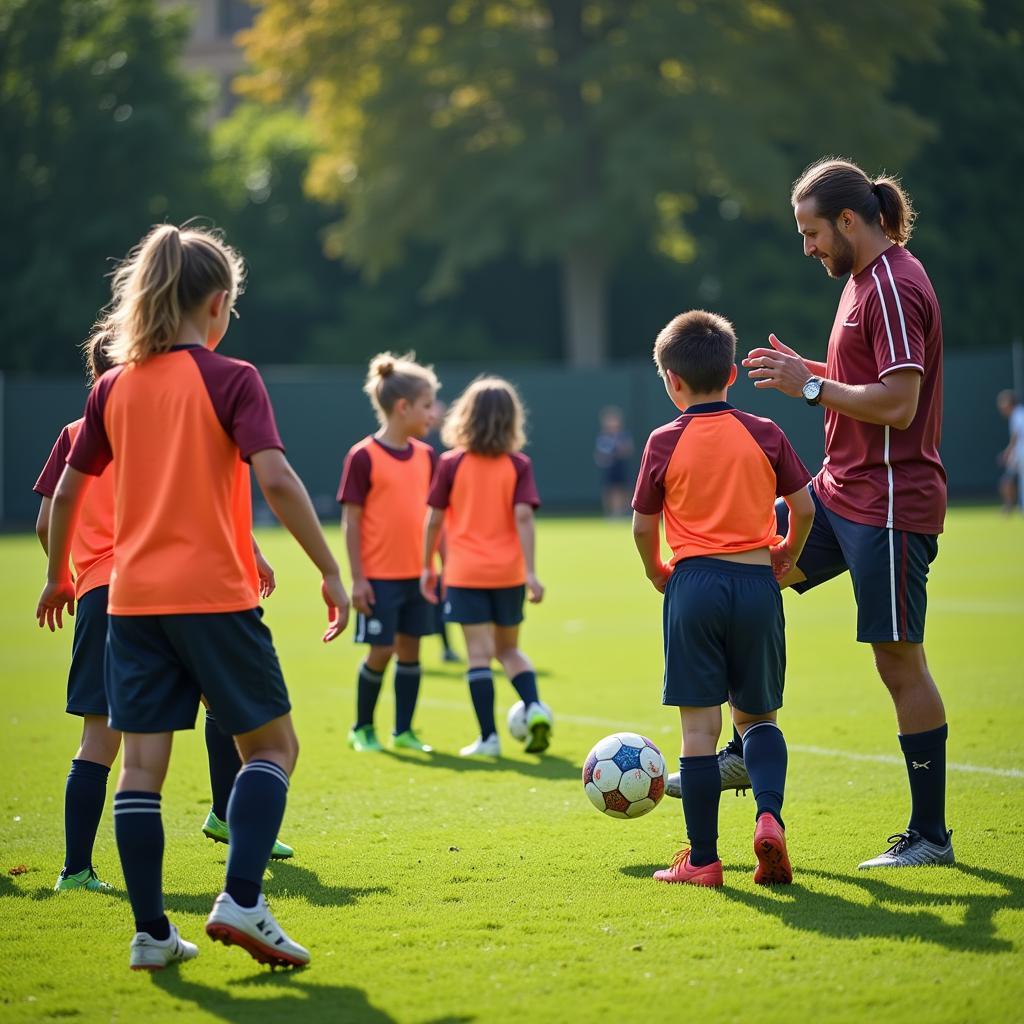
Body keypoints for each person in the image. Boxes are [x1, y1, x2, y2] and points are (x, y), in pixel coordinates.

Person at [35, 224, 350, 971]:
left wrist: (57, 573)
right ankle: (242, 898)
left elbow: (71, 492)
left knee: (140, 768)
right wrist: (330, 569)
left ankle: (152, 935)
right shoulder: (231, 377)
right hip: (213, 594)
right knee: (272, 748)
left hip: (132, 604)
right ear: (215, 304)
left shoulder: (112, 386)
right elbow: (274, 478)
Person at [739, 157, 953, 869]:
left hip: (888, 505)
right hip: (841, 492)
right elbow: (867, 384)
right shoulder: (864, 281)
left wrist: (808, 390)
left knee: (899, 665)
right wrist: (813, 374)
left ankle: (930, 838)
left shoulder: (891, 285)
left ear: (850, 221)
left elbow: (898, 402)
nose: (807, 248)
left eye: (811, 233)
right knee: (745, 570)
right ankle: (747, 747)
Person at [33, 340, 293, 894]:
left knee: (99, 740)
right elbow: (201, 499)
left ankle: (75, 870)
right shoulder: (154, 422)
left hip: (104, 593)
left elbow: (48, 517)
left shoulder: (76, 433)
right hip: (171, 587)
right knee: (229, 705)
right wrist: (252, 554)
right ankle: (229, 814)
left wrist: (66, 574)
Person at [632, 310, 813, 887]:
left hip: (694, 587)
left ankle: (705, 861)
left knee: (699, 731)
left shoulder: (664, 440)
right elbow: (804, 508)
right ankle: (768, 818)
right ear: (733, 374)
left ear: (671, 380)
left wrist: (657, 570)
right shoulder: (764, 432)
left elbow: (642, 526)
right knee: (758, 719)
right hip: (758, 585)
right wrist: (784, 550)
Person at [421, 377, 552, 757]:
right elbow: (524, 517)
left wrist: (428, 565)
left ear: (465, 416)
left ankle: (489, 739)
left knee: (478, 655)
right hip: (509, 574)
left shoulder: (450, 463)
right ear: (512, 421)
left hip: (465, 575)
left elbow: (433, 520)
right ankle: (534, 706)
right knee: (509, 651)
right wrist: (530, 571)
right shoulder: (518, 464)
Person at [338, 352, 440, 753]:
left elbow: (436, 518)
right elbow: (352, 521)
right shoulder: (362, 456)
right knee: (381, 651)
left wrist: (436, 566)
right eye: (427, 405)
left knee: (411, 650)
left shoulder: (427, 457)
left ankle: (404, 730)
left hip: (417, 574)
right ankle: (362, 728)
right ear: (403, 407)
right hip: (379, 577)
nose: (433, 414)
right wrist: (358, 577)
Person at [426, 398, 462, 663]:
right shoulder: (418, 446)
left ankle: (454, 646)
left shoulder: (449, 445)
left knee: (447, 585)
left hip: (448, 524)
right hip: (425, 523)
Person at [594, 406, 633, 516]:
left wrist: (620, 448)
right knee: (610, 490)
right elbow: (600, 455)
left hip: (621, 466)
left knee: (623, 489)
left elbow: (628, 450)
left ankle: (624, 511)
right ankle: (612, 513)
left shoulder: (623, 436)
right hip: (609, 468)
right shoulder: (603, 437)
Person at [997, 390, 1024, 513]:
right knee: (1007, 480)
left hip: (1020, 454)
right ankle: (1011, 506)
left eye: (1003, 403)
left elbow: (1016, 436)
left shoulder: (1018, 414)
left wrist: (1007, 453)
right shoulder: (1016, 415)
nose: (1001, 407)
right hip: (1018, 454)